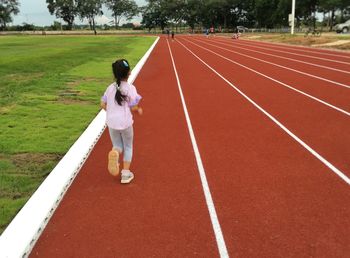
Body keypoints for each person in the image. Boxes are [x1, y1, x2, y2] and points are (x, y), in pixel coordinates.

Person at [100, 59, 143, 184]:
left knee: (118, 145)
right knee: (128, 146)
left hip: (112, 123)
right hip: (125, 123)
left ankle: (115, 153)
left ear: (115, 74)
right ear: (129, 73)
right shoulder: (130, 89)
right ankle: (125, 174)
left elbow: (103, 104)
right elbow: (133, 106)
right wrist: (138, 110)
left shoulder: (110, 88)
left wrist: (112, 112)